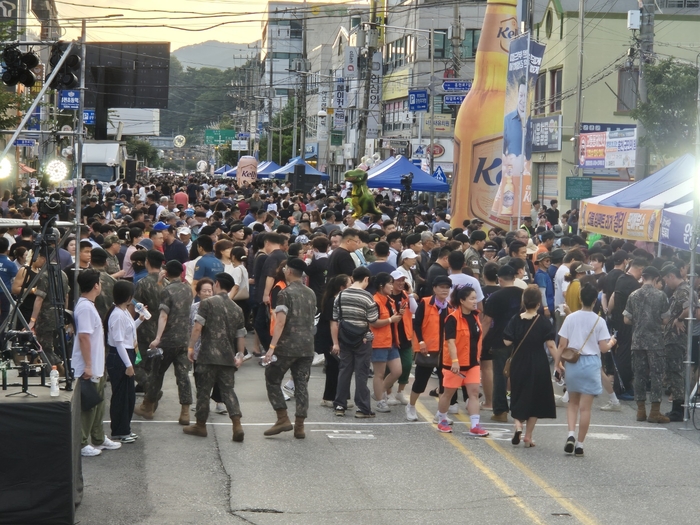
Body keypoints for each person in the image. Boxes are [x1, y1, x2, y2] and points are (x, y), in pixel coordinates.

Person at [185, 273, 247, 442]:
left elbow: (197, 327)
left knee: (204, 392)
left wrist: (191, 347)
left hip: (207, 355)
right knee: (228, 391)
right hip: (227, 358)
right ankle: (237, 424)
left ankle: (200, 425)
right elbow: (241, 335)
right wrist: (240, 355)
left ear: (217, 284)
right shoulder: (237, 308)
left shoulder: (207, 303)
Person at [558, 284, 616, 457]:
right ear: (594, 301)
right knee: (585, 409)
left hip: (573, 363)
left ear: (580, 299)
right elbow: (604, 348)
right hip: (591, 364)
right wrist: (612, 341)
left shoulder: (570, 318)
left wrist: (557, 364)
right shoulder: (599, 321)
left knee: (572, 403)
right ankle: (580, 444)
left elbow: (562, 344)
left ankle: (570, 435)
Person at [262, 258, 317, 439]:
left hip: (287, 346)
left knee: (272, 378)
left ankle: (282, 417)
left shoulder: (285, 293)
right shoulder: (311, 293)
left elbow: (280, 323)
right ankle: (299, 426)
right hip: (307, 346)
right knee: (301, 385)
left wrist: (271, 347)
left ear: (289, 272)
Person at [136, 260, 194, 425]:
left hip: (168, 340)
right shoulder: (188, 289)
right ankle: (185, 412)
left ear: (166, 272)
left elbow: (163, 315)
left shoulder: (166, 291)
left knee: (156, 374)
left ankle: (148, 406)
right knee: (183, 376)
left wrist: (158, 338)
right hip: (183, 338)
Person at [73, 270, 123, 457]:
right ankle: (83, 441)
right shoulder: (85, 307)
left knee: (98, 404)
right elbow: (84, 337)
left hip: (96, 365)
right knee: (88, 406)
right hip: (89, 366)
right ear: (96, 285)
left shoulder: (88, 305)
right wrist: (87, 365)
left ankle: (98, 437)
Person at [503, 285, 558, 447]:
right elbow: (551, 345)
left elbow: (507, 341)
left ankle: (518, 424)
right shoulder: (543, 322)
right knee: (535, 398)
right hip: (538, 362)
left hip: (519, 361)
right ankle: (528, 436)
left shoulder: (515, 319)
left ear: (523, 302)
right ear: (539, 303)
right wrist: (559, 364)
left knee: (518, 394)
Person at [436, 286, 489, 436]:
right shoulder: (452, 319)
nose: (475, 301)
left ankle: (475, 425)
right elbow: (451, 342)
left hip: (472, 362)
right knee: (448, 393)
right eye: (472, 298)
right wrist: (454, 361)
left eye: (475, 298)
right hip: (455, 364)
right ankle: (442, 420)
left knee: (473, 392)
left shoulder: (475, 316)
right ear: (462, 300)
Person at [623, 266, 670, 424]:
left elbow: (626, 319)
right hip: (655, 341)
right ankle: (655, 412)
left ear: (642, 277)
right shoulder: (661, 295)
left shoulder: (633, 295)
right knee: (656, 375)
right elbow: (665, 319)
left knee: (639, 375)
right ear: (656, 278)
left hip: (637, 340)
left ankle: (641, 410)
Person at [331, 266, 379, 418]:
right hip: (362, 339)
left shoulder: (340, 295)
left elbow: (336, 317)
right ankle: (362, 408)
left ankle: (340, 405)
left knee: (344, 370)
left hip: (344, 338)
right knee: (361, 373)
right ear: (366, 279)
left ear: (352, 277)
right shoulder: (367, 297)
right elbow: (373, 319)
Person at [406, 276, 454, 423]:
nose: (444, 290)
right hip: (427, 348)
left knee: (444, 383)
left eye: (447, 287)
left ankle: (441, 414)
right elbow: (417, 324)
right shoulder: (425, 303)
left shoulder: (450, 307)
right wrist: (421, 341)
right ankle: (411, 406)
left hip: (444, 352)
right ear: (434, 288)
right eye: (441, 287)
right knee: (421, 381)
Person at [482, 265, 524, 422]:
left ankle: (500, 411)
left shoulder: (495, 297)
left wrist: (480, 340)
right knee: (519, 374)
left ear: (499, 279)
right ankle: (520, 409)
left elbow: (487, 321)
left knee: (500, 375)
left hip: (499, 339)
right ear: (514, 278)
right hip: (521, 340)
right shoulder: (523, 295)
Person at [106, 280, 146, 444]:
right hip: (120, 356)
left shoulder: (123, 312)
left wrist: (140, 320)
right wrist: (128, 365)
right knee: (122, 396)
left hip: (126, 353)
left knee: (128, 395)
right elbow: (119, 342)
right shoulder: (117, 314)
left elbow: (129, 332)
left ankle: (124, 429)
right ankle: (120, 430)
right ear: (128, 296)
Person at [368, 272, 404, 413]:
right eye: (389, 283)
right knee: (379, 373)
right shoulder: (374, 301)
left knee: (397, 371)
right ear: (381, 285)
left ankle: (378, 392)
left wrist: (397, 315)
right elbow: (373, 322)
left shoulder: (389, 300)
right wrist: (390, 320)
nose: (392, 286)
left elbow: (393, 318)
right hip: (379, 343)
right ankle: (381, 400)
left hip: (392, 341)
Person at [661, 265, 691, 421]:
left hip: (676, 338)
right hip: (673, 338)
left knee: (675, 372)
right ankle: (678, 407)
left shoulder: (682, 291)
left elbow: (689, 307)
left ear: (671, 276)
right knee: (674, 372)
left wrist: (679, 319)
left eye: (666, 279)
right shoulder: (680, 290)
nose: (666, 283)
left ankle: (678, 409)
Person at [318, 274, 351, 408]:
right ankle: (329, 398)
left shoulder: (338, 300)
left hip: (334, 338)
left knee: (338, 368)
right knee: (334, 368)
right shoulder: (333, 301)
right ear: (342, 287)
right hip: (330, 338)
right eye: (349, 285)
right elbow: (333, 324)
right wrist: (335, 343)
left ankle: (340, 397)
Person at [387, 270, 417, 405]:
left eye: (403, 280)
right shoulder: (386, 297)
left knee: (407, 364)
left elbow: (415, 310)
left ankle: (400, 391)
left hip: (405, 335)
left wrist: (410, 294)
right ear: (391, 282)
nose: (401, 283)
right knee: (390, 367)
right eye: (398, 280)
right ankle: (388, 392)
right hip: (390, 336)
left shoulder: (406, 296)